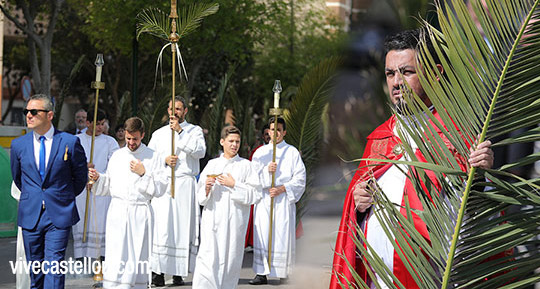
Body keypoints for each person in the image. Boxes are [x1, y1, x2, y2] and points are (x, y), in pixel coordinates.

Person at [329, 29, 495, 288]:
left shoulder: (459, 137)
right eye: (390, 73)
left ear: (435, 74)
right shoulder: (380, 138)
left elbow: (477, 210)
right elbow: (357, 213)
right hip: (378, 279)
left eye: (407, 72)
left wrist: (482, 172)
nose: (396, 82)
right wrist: (359, 204)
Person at [10, 94, 88, 288]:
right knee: (35, 272)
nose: (29, 115)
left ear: (50, 115)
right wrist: (34, 197)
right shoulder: (18, 145)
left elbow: (80, 178)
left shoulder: (69, 142)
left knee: (54, 267)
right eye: (26, 111)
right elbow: (19, 179)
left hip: (59, 214)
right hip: (31, 214)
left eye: (34, 111)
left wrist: (63, 197)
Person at [88, 117, 168, 289]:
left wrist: (143, 173)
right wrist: (97, 179)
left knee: (136, 257)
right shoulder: (117, 156)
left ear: (143, 135)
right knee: (116, 255)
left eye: (135, 139)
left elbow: (160, 189)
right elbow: (109, 184)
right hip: (118, 212)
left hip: (140, 214)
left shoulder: (153, 156)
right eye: (128, 138)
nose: (131, 143)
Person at [192, 126, 262, 289]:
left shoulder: (246, 166)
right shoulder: (212, 164)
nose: (234, 145)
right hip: (213, 222)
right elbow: (200, 195)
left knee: (230, 261)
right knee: (208, 260)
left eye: (237, 141)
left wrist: (234, 185)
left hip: (234, 223)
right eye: (231, 141)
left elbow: (255, 194)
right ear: (222, 142)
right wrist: (207, 188)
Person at [149, 96, 206, 286]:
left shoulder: (194, 131)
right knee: (163, 228)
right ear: (168, 110)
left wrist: (180, 133)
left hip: (184, 185)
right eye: (172, 108)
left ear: (185, 111)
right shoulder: (158, 134)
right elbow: (149, 159)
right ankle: (158, 271)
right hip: (165, 183)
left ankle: (179, 272)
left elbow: (200, 152)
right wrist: (164, 160)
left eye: (179, 109)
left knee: (182, 228)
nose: (175, 112)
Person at [249, 117, 306, 285]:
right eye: (272, 130)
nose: (275, 133)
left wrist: (283, 188)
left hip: (282, 200)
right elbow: (252, 178)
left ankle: (283, 272)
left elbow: (300, 178)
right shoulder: (261, 153)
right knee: (263, 234)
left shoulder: (292, 152)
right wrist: (267, 172)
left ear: (284, 132)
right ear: (268, 132)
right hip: (265, 200)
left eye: (279, 130)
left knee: (281, 234)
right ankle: (261, 273)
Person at [72, 109, 119, 282]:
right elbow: (70, 161)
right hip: (82, 187)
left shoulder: (110, 141)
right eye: (96, 123)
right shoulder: (77, 140)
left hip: (101, 188)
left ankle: (101, 258)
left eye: (102, 123)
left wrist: (98, 177)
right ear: (88, 123)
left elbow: (114, 164)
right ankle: (81, 257)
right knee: (82, 218)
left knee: (100, 221)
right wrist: (83, 166)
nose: (100, 127)